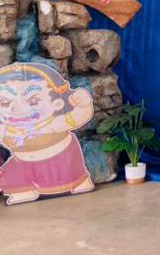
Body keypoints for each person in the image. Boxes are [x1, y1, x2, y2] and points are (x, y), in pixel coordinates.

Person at [0, 62, 95, 205]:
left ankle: (79, 183)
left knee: (72, 177)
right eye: (5, 102)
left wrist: (83, 105)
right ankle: (22, 192)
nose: (16, 108)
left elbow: (78, 117)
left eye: (33, 100)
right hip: (22, 164)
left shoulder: (55, 123)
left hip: (60, 160)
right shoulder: (7, 129)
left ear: (57, 104)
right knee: (13, 177)